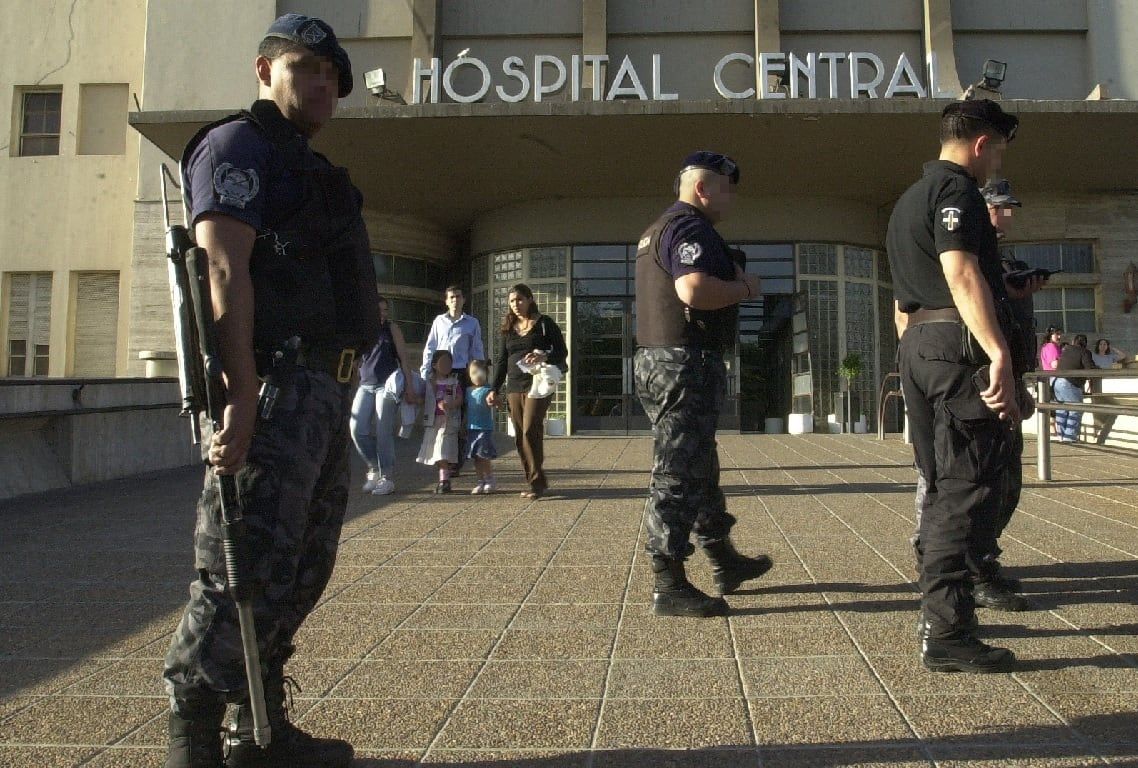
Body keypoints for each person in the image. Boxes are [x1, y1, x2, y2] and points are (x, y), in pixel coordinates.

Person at [163, 13, 374, 768]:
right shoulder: (238, 148)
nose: (323, 84)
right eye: (306, 68)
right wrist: (243, 395)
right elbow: (223, 272)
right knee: (241, 566)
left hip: (321, 390)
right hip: (275, 383)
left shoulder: (308, 169)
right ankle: (191, 739)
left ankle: (258, 730)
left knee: (300, 566)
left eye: (332, 77)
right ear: (265, 72)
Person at [887, 100, 1042, 673]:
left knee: (940, 481)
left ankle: (942, 616)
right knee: (965, 486)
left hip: (921, 346)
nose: (998, 161)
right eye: (999, 149)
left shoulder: (907, 200)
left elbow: (905, 295)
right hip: (956, 350)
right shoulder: (958, 194)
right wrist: (999, 351)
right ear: (981, 144)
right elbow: (961, 271)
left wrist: (914, 355)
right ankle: (948, 631)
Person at [633, 151, 772, 619]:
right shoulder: (689, 227)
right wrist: (746, 288)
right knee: (676, 471)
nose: (731, 196)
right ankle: (667, 581)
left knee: (698, 463)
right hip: (682, 363)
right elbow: (692, 289)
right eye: (727, 186)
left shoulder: (659, 227)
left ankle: (722, 557)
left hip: (663, 361)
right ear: (703, 188)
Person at [904, 178, 1034, 613]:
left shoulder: (996, 255)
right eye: (1000, 207)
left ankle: (974, 564)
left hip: (1004, 370)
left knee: (1000, 480)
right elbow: (919, 305)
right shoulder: (954, 241)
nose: (1006, 216)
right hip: (970, 370)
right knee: (959, 480)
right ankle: (958, 574)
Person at [487, 283, 567, 499]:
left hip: (538, 383)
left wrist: (543, 356)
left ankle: (537, 482)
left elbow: (562, 351)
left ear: (530, 299)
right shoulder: (508, 328)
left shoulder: (544, 323)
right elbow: (503, 361)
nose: (516, 304)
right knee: (520, 436)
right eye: (512, 301)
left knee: (530, 429)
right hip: (514, 385)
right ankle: (534, 480)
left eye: (520, 299)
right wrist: (494, 388)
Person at [350, 296, 418, 495]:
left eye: (385, 310)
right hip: (365, 385)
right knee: (357, 429)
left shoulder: (391, 329)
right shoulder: (363, 331)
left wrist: (410, 387)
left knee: (382, 432)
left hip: (386, 387)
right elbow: (355, 361)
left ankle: (387, 477)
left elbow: (404, 360)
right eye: (378, 310)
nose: (382, 314)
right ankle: (374, 468)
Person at [421, 284, 485, 472]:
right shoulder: (439, 321)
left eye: (458, 296)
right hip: (440, 374)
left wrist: (478, 377)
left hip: (461, 373)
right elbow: (430, 347)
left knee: (458, 418)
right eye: (451, 297)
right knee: (441, 418)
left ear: (463, 299)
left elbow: (477, 350)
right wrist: (426, 372)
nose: (455, 300)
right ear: (446, 301)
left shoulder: (472, 323)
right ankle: (441, 458)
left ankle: (455, 462)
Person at [417, 349, 463, 492]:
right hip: (432, 421)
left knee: (442, 448)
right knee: (434, 451)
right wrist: (413, 399)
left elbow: (460, 399)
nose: (446, 366)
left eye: (449, 363)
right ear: (435, 365)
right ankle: (443, 478)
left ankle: (444, 480)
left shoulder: (454, 382)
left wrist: (450, 405)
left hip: (448, 422)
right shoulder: (429, 382)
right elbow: (424, 398)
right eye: (442, 363)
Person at [465, 358, 498, 494]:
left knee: (483, 455)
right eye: (473, 373)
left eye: (480, 372)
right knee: (475, 457)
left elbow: (497, 402)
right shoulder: (468, 391)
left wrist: (496, 402)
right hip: (471, 428)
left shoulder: (488, 389)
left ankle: (489, 479)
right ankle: (480, 480)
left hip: (484, 428)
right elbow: (466, 409)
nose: (477, 376)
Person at [1054, 334, 1095, 442]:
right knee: (1076, 409)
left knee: (1061, 410)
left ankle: (1061, 436)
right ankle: (1069, 437)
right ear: (1085, 343)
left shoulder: (1066, 350)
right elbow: (1090, 368)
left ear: (1074, 341)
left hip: (1057, 381)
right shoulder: (1084, 352)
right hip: (1070, 383)